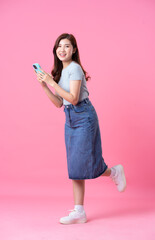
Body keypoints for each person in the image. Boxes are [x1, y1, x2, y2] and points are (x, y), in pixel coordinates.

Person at [34, 33, 127, 225]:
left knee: (87, 161)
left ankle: (114, 172)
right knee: (75, 165)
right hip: (70, 119)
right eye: (59, 46)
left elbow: (74, 98)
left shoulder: (74, 69)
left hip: (84, 116)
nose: (62, 50)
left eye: (67, 46)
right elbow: (60, 103)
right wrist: (45, 86)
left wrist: (51, 82)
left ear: (74, 49)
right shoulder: (61, 72)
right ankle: (79, 212)